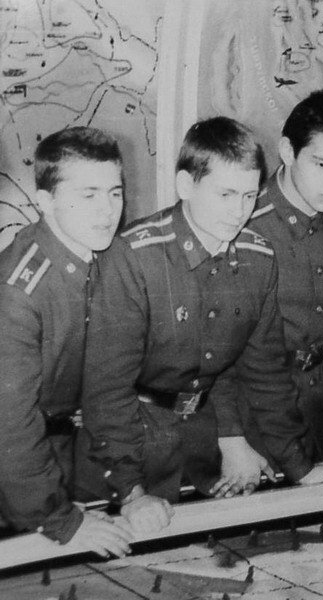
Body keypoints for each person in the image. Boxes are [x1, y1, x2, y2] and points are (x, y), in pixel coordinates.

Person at [78, 117, 323, 535]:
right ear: (186, 185)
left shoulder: (259, 258)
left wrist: (301, 467)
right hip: (126, 449)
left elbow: (266, 374)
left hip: (202, 446)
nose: (239, 212)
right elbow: (106, 390)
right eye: (225, 194)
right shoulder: (133, 257)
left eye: (249, 196)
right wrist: (131, 493)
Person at [0, 127, 132, 557]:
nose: (107, 210)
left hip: (60, 448)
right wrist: (61, 522)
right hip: (15, 468)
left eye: (114, 192)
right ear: (45, 200)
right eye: (88, 194)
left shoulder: (107, 257)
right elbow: (10, 427)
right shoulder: (18, 292)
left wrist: (130, 486)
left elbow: (110, 382)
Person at [246, 90, 323, 460]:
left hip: (318, 400)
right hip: (254, 412)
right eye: (322, 164)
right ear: (287, 151)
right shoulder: (246, 225)